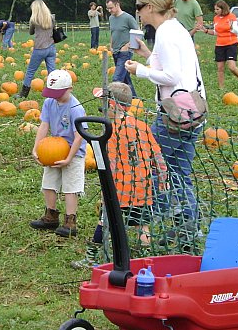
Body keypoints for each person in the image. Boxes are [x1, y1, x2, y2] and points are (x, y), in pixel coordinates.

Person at [125, 0, 206, 251]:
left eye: (139, 7)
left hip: (173, 117)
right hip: (193, 113)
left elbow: (171, 77)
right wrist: (147, 56)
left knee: (149, 167)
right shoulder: (175, 30)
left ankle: (145, 222)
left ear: (150, 7)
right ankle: (186, 231)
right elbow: (174, 68)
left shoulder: (166, 34)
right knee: (181, 173)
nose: (138, 13)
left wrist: (140, 71)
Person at [71, 82, 167, 269]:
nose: (102, 108)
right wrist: (162, 179)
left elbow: (112, 165)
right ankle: (146, 259)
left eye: (103, 103)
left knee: (103, 222)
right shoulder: (142, 126)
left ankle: (92, 258)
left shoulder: (110, 131)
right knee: (142, 225)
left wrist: (105, 190)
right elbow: (157, 156)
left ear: (112, 105)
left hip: (118, 190)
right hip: (142, 188)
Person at [30, 69, 86, 238]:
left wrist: (69, 158)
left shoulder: (76, 108)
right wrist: (36, 147)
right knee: (48, 183)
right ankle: (51, 215)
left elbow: (79, 135)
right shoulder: (49, 103)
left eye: (58, 93)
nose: (55, 96)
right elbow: (44, 126)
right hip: (54, 148)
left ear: (69, 88)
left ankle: (70, 221)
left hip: (73, 152)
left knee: (71, 187)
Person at [197, 0, 238, 91]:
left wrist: (231, 27)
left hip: (231, 44)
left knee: (231, 67)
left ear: (223, 9)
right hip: (220, 45)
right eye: (215, 9)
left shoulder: (231, 17)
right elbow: (216, 32)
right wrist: (206, 31)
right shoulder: (216, 18)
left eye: (217, 9)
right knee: (220, 68)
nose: (216, 11)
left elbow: (236, 31)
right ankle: (221, 88)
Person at [14, 0, 56, 99]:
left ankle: (23, 94)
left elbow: (31, 32)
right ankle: (54, 93)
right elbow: (54, 30)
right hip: (51, 47)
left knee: (30, 71)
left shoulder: (34, 20)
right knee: (52, 72)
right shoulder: (51, 18)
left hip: (39, 49)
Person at [106, 0, 139, 96]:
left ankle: (112, 101)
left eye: (111, 8)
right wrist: (111, 46)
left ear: (117, 5)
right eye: (108, 8)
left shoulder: (128, 18)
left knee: (117, 79)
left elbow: (137, 33)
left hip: (125, 53)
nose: (109, 10)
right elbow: (113, 32)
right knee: (125, 79)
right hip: (115, 52)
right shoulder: (111, 18)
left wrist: (127, 46)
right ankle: (135, 100)